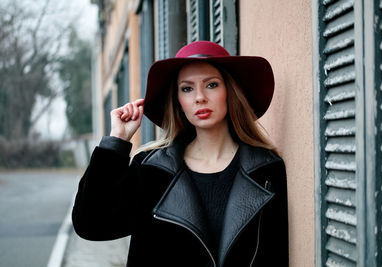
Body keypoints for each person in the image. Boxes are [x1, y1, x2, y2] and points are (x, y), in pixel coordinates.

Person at [72, 41, 288, 267]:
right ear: (178, 101)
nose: (199, 97)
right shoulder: (151, 169)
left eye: (212, 85)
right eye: (187, 88)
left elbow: (277, 255)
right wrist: (116, 142)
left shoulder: (266, 169)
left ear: (230, 91)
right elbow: (91, 224)